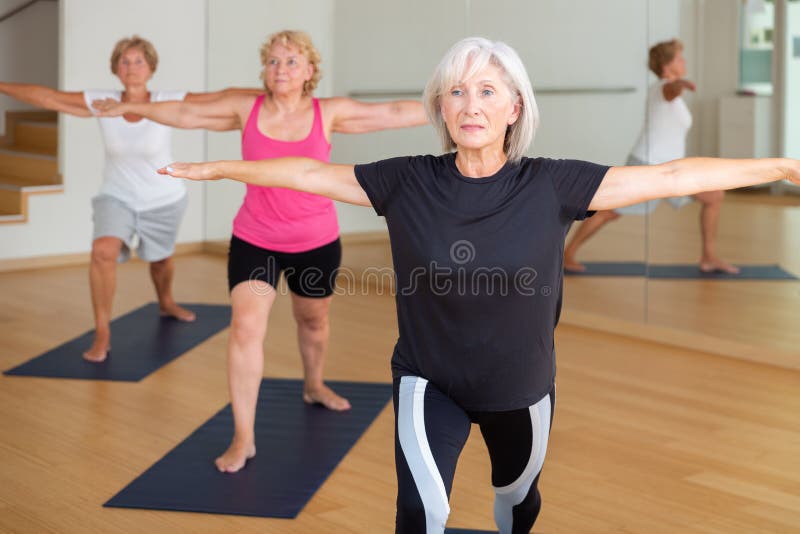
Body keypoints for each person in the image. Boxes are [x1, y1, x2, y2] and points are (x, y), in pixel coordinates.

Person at [159, 37, 798, 532]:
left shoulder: (553, 183)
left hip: (520, 389)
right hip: (425, 381)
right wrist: (219, 167)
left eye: (489, 91)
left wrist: (781, 164)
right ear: (442, 106)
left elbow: (673, 175)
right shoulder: (405, 181)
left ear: (515, 107)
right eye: (459, 92)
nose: (472, 105)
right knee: (422, 514)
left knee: (518, 504)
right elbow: (305, 171)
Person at [92, 30, 428, 473]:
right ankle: (244, 436)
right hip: (256, 238)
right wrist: (132, 105)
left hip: (315, 241)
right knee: (245, 329)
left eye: (291, 62)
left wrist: (458, 104)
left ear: (310, 70)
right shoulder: (244, 107)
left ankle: (313, 384)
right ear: (263, 70)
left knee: (313, 320)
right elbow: (187, 111)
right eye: (272, 61)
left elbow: (393, 111)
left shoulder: (328, 112)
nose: (280, 69)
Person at [0, 35, 238, 362]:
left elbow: (222, 98)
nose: (131, 67)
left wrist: (273, 93)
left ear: (151, 67)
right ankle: (102, 333)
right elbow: (49, 98)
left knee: (161, 262)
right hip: (117, 197)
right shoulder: (103, 102)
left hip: (164, 198)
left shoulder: (169, 99)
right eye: (124, 61)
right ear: (115, 69)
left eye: (139, 61)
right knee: (102, 252)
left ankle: (166, 301)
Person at [564, 38, 740, 274]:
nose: (684, 61)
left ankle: (709, 257)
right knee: (609, 212)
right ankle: (566, 255)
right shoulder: (662, 88)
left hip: (672, 169)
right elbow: (671, 90)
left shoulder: (668, 91)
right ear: (667, 66)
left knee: (714, 196)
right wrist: (682, 84)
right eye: (679, 58)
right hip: (648, 165)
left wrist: (681, 86)